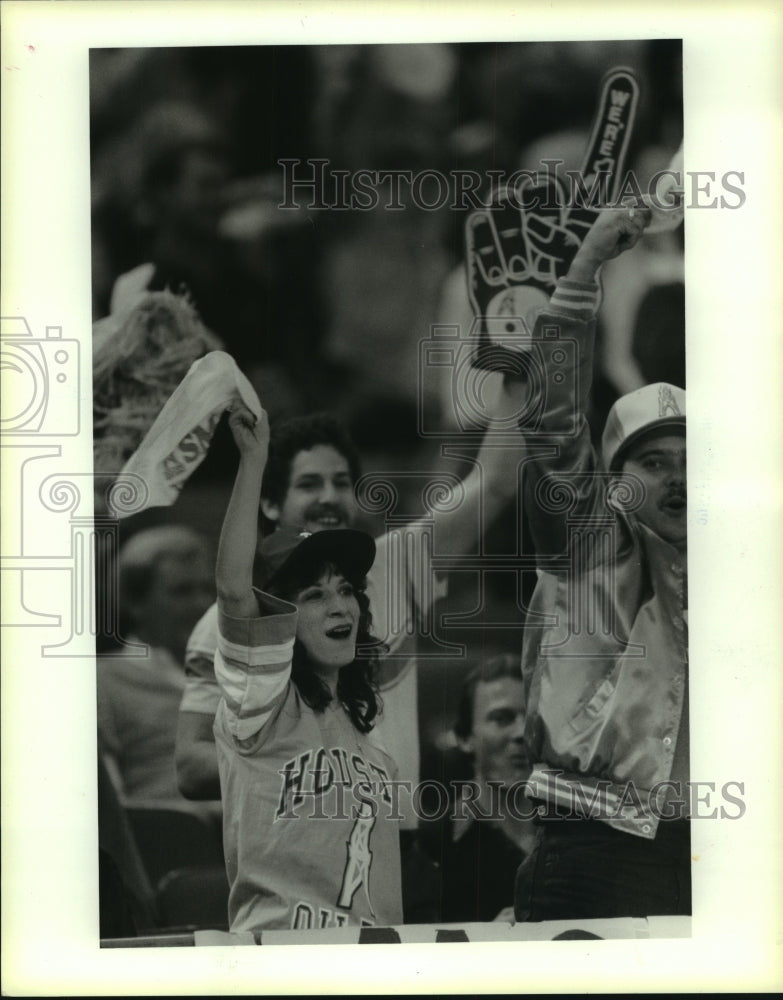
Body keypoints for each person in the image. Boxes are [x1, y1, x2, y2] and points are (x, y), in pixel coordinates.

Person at [485, 205, 690, 920]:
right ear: (612, 474)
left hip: (714, 856)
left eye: (692, 463)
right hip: (595, 853)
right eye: (654, 462)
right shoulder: (590, 541)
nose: (676, 479)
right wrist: (581, 275)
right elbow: (551, 425)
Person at [213, 402, 402, 931]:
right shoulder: (260, 703)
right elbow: (232, 589)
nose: (340, 606)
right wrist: (254, 460)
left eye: (346, 590)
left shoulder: (375, 752)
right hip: (276, 962)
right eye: (315, 595)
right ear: (278, 617)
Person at [96, 525, 215, 810]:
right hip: (169, 844)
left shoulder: (242, 675)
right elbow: (109, 812)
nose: (203, 604)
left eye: (208, 589)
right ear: (135, 602)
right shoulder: (101, 680)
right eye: (181, 591)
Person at [426, 654, 539, 923]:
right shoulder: (435, 844)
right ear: (465, 738)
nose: (522, 732)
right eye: (502, 718)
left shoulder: (574, 837)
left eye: (532, 717)